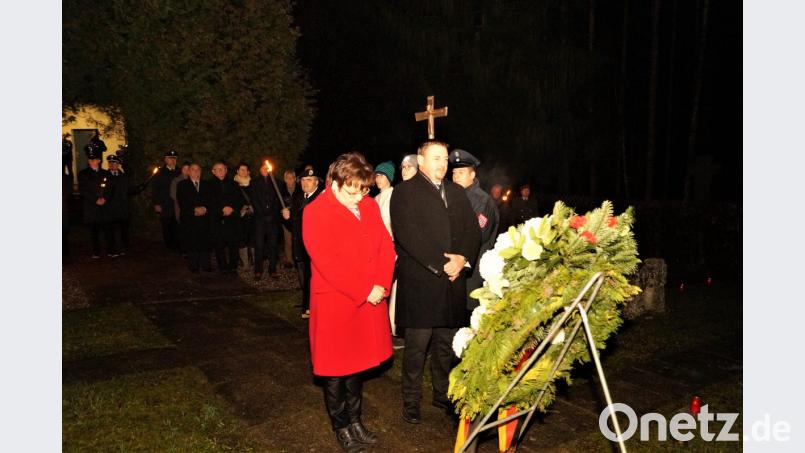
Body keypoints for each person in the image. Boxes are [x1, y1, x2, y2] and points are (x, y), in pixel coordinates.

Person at [303, 151, 396, 453]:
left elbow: (384, 246)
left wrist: (381, 283)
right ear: (334, 182)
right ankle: (341, 426)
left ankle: (356, 420)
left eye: (364, 189)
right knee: (335, 370)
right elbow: (326, 262)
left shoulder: (367, 205)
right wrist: (363, 289)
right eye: (351, 190)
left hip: (368, 300)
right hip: (337, 302)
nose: (358, 196)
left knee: (358, 365)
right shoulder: (315, 211)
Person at [390, 140, 481, 424]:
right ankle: (410, 402)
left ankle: (441, 394)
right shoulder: (404, 192)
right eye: (436, 158)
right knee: (417, 348)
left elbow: (471, 232)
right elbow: (408, 235)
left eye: (444, 159)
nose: (443, 164)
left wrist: (462, 260)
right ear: (420, 160)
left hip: (451, 283)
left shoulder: (456, 192)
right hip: (422, 282)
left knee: (445, 346)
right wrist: (443, 264)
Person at [449, 149, 500, 312]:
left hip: (474, 271)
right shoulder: (453, 197)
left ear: (472, 175)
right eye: (454, 173)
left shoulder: (481, 200)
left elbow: (477, 235)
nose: (456, 177)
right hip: (456, 267)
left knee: (472, 314)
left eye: (461, 172)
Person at [282, 167, 322, 318]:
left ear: (316, 182)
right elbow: (293, 224)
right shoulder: (299, 197)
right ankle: (307, 305)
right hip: (300, 244)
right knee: (303, 276)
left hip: (314, 247)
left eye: (309, 180)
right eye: (303, 180)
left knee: (313, 278)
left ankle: (313, 307)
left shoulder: (320, 198)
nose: (305, 183)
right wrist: (287, 217)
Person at [78, 146, 115, 258]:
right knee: (94, 231)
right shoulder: (83, 174)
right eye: (90, 160)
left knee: (108, 230)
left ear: (99, 161)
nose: (92, 162)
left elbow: (110, 188)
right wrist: (95, 200)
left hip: (105, 206)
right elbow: (84, 190)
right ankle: (96, 252)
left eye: (94, 160)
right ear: (88, 161)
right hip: (92, 206)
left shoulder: (106, 173)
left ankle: (110, 251)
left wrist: (105, 198)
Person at [105, 154, 146, 255]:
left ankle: (126, 248)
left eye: (114, 163)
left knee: (124, 230)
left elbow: (130, 190)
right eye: (110, 163)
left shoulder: (123, 177)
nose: (112, 164)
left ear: (118, 164)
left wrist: (140, 187)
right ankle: (111, 250)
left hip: (123, 208)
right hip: (111, 209)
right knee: (111, 231)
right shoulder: (105, 176)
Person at [207, 161, 243, 274]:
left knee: (233, 244)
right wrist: (222, 209)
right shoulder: (208, 185)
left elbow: (239, 199)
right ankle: (222, 267)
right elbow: (209, 201)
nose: (221, 171)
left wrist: (232, 208)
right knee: (219, 244)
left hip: (232, 218)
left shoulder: (234, 184)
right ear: (213, 171)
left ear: (226, 170)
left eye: (223, 169)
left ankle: (233, 266)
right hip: (217, 218)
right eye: (218, 169)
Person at [250, 161, 283, 279]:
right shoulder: (254, 183)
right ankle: (258, 270)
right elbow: (254, 200)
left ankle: (272, 269)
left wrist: (272, 214)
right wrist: (263, 214)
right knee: (259, 245)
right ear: (259, 169)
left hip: (272, 219)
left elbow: (278, 200)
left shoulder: (277, 183)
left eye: (267, 168)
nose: (265, 169)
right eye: (262, 167)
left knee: (273, 245)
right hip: (259, 219)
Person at [176, 163, 212, 272]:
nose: (196, 172)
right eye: (193, 169)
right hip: (190, 218)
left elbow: (211, 199)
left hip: (204, 218)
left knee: (204, 242)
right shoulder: (182, 184)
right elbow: (182, 201)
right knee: (192, 242)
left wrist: (205, 209)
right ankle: (193, 265)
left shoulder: (207, 184)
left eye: (198, 170)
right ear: (189, 171)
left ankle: (205, 264)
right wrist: (194, 210)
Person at [152, 150, 181, 250]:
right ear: (165, 160)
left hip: (177, 204)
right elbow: (155, 189)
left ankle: (177, 245)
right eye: (170, 158)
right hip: (165, 204)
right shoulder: (160, 173)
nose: (172, 160)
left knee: (177, 225)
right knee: (167, 225)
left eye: (174, 158)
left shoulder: (180, 171)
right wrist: (156, 203)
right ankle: (169, 246)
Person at [233, 162, 255, 269]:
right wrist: (240, 209)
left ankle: (253, 260)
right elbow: (231, 200)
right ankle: (244, 262)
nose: (244, 171)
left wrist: (253, 207)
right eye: (241, 169)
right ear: (237, 171)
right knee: (241, 238)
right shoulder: (233, 185)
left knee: (252, 237)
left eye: (245, 169)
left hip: (252, 215)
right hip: (240, 216)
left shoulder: (253, 184)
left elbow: (257, 198)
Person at [280, 168, 298, 268]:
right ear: (285, 179)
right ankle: (289, 260)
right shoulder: (281, 190)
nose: (290, 180)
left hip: (297, 220)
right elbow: (278, 204)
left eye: (292, 178)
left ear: (295, 178)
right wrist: (282, 210)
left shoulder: (300, 189)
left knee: (297, 241)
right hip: (286, 221)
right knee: (288, 241)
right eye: (288, 178)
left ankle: (297, 260)